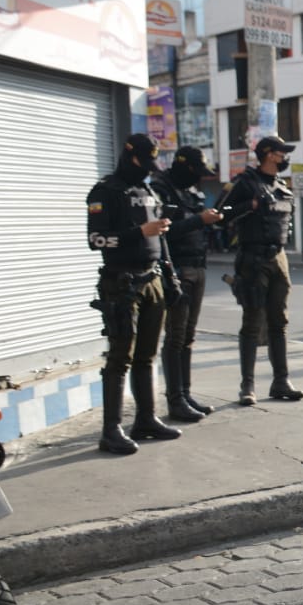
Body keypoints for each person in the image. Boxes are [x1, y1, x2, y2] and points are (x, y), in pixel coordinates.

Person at [86, 134, 183, 455]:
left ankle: (146, 419)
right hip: (121, 283)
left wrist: (170, 277)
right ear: (132, 158)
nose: (149, 170)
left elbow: (161, 239)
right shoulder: (105, 192)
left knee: (147, 355)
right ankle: (111, 430)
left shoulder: (148, 191)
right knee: (120, 356)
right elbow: (96, 240)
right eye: (146, 163)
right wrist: (139, 232)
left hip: (151, 279)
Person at [217, 135, 303, 405]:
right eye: (281, 153)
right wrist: (249, 206)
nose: (285, 158)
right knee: (252, 322)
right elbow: (221, 213)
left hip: (278, 258)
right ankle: (248, 385)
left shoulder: (281, 185)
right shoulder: (245, 183)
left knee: (279, 322)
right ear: (268, 154)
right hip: (253, 258)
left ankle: (281, 380)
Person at [149, 146, 223, 422]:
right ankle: (175, 400)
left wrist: (211, 221)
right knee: (176, 336)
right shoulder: (160, 189)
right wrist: (198, 220)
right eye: (196, 173)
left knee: (188, 337)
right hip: (176, 268)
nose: (199, 180)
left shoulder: (191, 192)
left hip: (197, 265)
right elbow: (164, 233)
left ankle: (186, 393)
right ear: (185, 167)